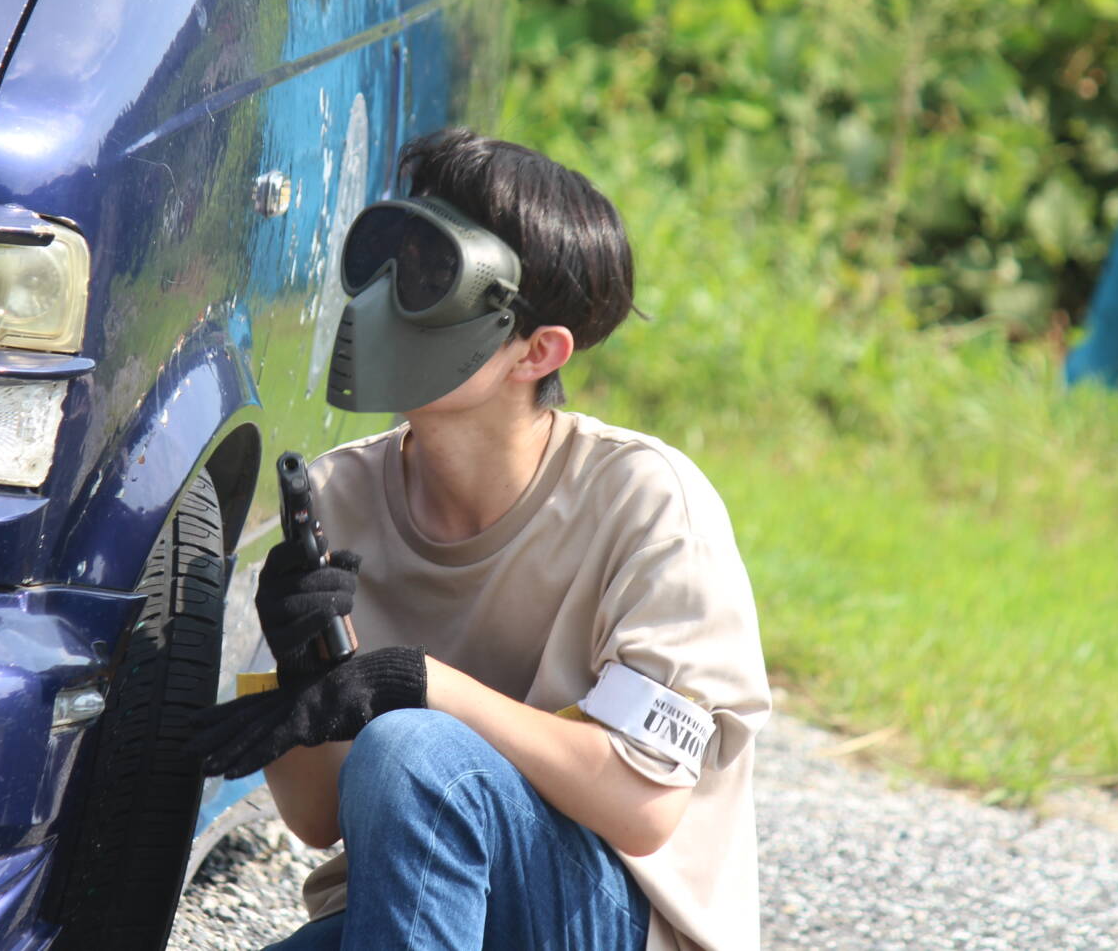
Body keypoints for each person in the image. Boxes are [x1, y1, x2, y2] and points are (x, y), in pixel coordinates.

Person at [189, 128, 771, 950]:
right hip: (415, 909)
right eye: (389, 258)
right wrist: (303, 672)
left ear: (537, 351)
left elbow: (642, 805)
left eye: (432, 277)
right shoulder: (337, 496)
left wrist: (420, 685)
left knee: (412, 748)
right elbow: (316, 818)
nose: (386, 299)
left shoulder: (649, 503)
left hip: (609, 921)